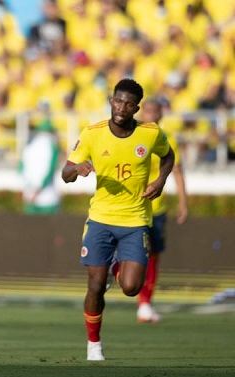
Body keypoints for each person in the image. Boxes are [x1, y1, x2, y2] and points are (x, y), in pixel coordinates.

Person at [61, 79, 174, 361]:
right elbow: (65, 172)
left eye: (128, 104)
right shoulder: (92, 133)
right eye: (117, 101)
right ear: (111, 100)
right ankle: (93, 344)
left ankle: (116, 268)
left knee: (131, 288)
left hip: (135, 220)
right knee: (95, 286)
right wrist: (78, 169)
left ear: (137, 108)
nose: (121, 108)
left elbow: (168, 156)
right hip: (100, 219)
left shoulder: (150, 134)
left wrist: (161, 180)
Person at [136, 98, 188, 323]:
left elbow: (176, 171)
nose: (150, 115)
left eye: (154, 111)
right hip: (133, 208)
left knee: (153, 256)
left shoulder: (167, 139)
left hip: (156, 208)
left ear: (160, 115)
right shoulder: (131, 134)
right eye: (146, 111)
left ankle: (145, 303)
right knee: (134, 253)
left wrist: (183, 202)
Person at [20, 120, 61, 215]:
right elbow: (51, 169)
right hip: (48, 199)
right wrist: (38, 190)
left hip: (30, 196)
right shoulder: (52, 146)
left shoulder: (28, 146)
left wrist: (30, 189)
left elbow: (21, 169)